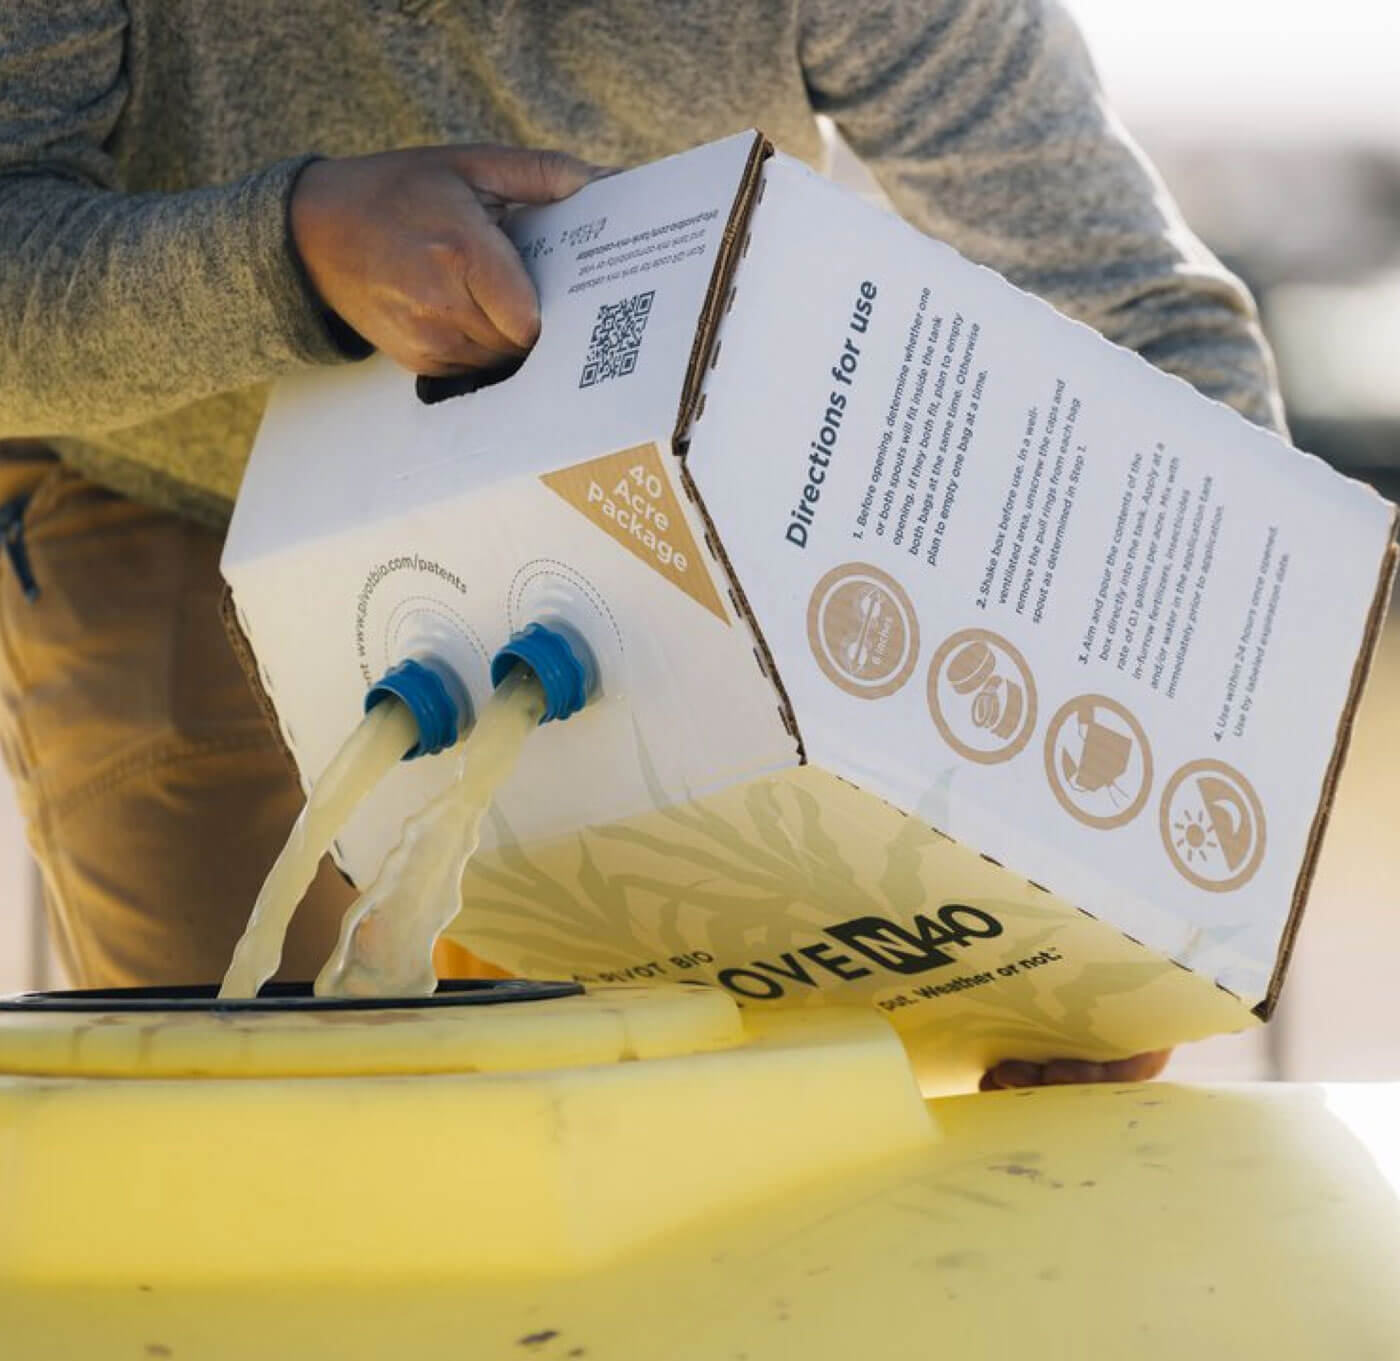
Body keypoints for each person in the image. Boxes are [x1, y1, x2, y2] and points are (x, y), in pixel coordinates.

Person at [0, 1, 1282, 1090]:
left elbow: (1137, 316)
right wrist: (293, 246)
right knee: (255, 1122)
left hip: (672, 506)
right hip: (176, 485)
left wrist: (1156, 903)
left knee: (706, 1128)